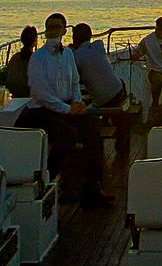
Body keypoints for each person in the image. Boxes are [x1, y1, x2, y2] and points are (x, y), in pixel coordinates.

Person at [16, 12, 113, 207]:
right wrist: (67, 109)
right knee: (67, 135)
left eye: (56, 27)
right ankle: (46, 180)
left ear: (64, 30)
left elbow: (75, 82)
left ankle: (92, 187)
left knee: (92, 126)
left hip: (67, 107)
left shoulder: (68, 54)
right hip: (42, 111)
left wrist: (76, 103)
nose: (52, 31)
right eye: (49, 27)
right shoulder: (38, 58)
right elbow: (40, 92)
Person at [71, 22, 127, 108]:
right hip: (120, 92)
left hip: (102, 102)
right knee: (118, 81)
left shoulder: (75, 56)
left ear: (75, 38)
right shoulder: (99, 45)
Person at [4, 25, 38, 97]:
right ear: (35, 41)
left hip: (11, 95)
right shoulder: (36, 59)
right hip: (29, 97)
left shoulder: (14, 58)